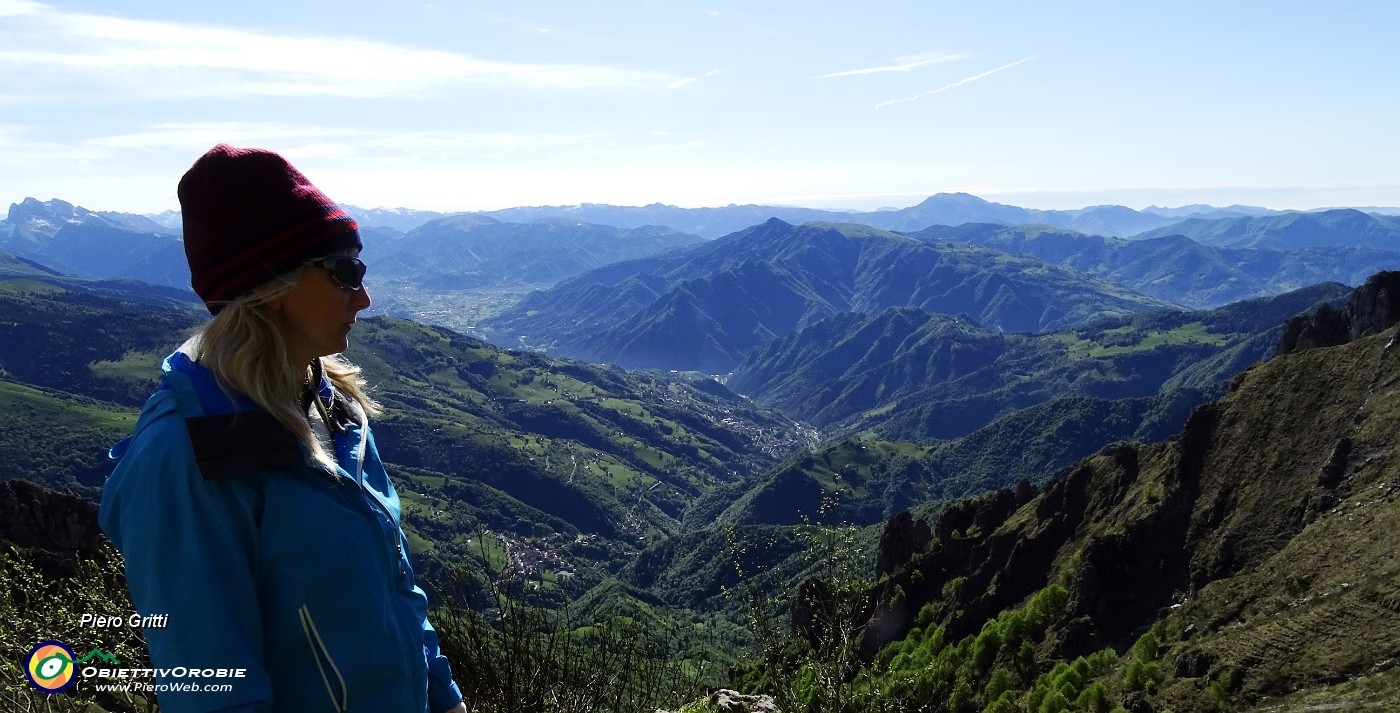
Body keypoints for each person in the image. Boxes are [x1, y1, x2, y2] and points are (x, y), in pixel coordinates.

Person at [99, 144, 467, 713]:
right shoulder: (187, 460)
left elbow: (396, 593)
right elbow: (211, 691)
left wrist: (445, 700)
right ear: (270, 288)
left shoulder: (334, 409)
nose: (363, 298)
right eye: (346, 272)